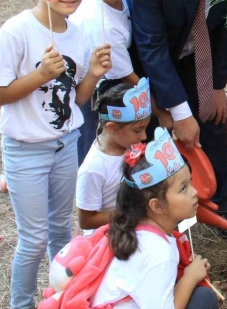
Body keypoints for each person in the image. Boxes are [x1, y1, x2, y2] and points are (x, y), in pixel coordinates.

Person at [0, 0, 112, 307]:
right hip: (26, 150)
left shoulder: (81, 33)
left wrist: (94, 75)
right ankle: (21, 303)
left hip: (66, 143)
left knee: (61, 231)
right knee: (34, 239)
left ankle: (66, 296)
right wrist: (41, 75)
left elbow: (77, 100)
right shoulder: (15, 32)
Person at [126, 0, 227, 238]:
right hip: (149, 63)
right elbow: (151, 47)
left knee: (211, 121)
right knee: (153, 138)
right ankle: (159, 221)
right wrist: (178, 112)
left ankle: (218, 208)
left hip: (197, 55)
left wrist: (217, 85)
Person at [90, 127, 218, 309]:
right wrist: (190, 276)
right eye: (183, 188)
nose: (194, 192)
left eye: (190, 182)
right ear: (156, 206)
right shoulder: (158, 252)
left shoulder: (137, 228)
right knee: (204, 299)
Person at [70, 0, 171, 165]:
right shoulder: (98, 21)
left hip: (108, 80)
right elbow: (128, 77)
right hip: (91, 93)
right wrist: (161, 112)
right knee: (96, 155)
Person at [76, 79, 152, 235]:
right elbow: (86, 220)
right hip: (109, 236)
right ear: (112, 127)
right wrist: (132, 214)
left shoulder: (128, 145)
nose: (144, 136)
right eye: (138, 130)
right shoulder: (93, 169)